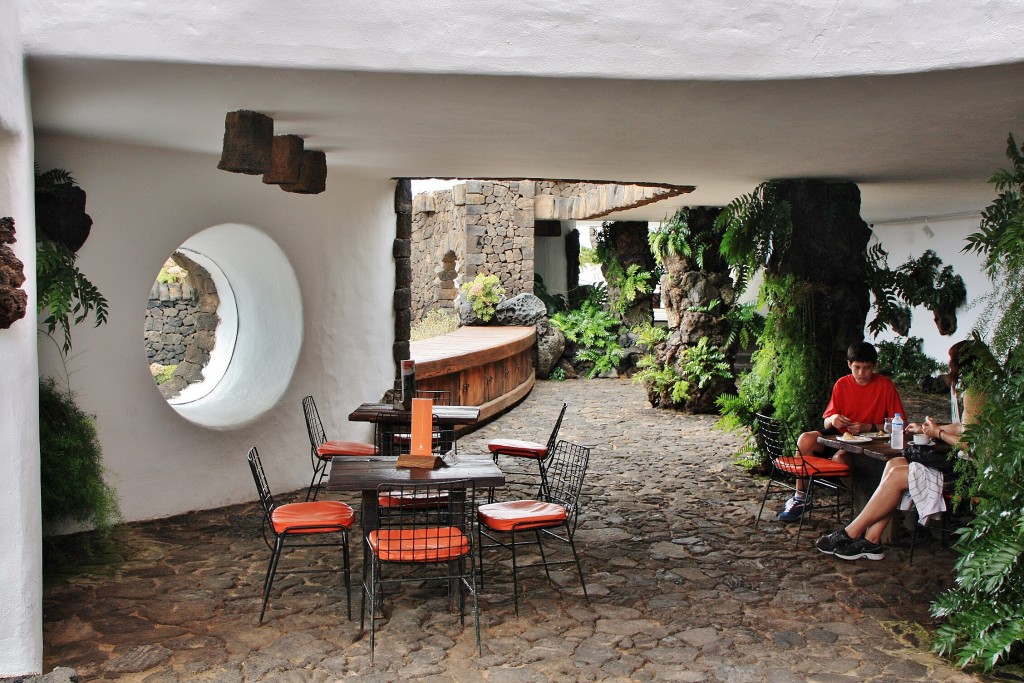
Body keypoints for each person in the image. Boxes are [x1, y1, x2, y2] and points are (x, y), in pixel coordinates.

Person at [814, 340, 983, 561]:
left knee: (898, 475)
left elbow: (970, 443)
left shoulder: (976, 394)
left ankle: (851, 532)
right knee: (894, 463)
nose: (950, 366)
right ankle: (872, 541)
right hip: (960, 463)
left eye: (952, 361)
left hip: (972, 471)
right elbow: (966, 428)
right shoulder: (976, 389)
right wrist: (932, 428)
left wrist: (939, 435)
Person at [777, 341, 905, 522]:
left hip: (871, 440)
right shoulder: (842, 384)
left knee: (841, 459)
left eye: (867, 368)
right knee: (805, 439)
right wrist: (834, 418)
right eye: (857, 367)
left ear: (874, 366)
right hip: (840, 436)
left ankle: (871, 500)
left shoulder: (885, 385)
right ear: (849, 365)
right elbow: (827, 422)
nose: (861, 373)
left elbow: (900, 422)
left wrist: (869, 427)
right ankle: (800, 497)